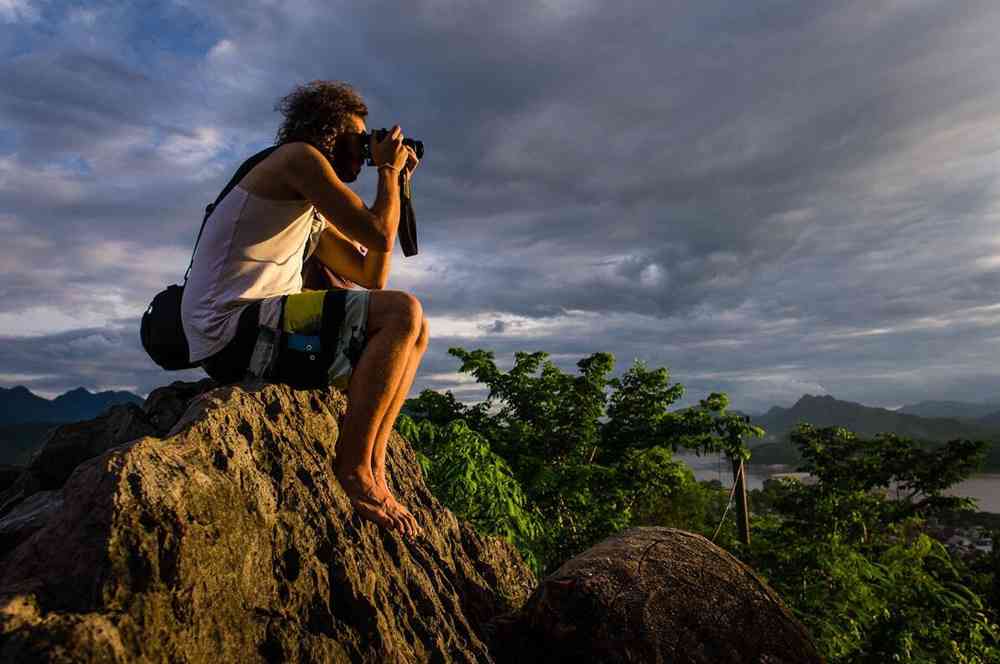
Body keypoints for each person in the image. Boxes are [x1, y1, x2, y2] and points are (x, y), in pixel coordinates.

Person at [181, 80, 425, 539]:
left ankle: (375, 464)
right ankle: (352, 469)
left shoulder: (308, 205)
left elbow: (372, 275)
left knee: (415, 326)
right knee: (401, 313)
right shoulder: (298, 159)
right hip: (230, 332)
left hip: (254, 326)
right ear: (328, 132)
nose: (363, 151)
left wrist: (397, 179)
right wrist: (388, 174)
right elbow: (377, 234)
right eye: (357, 138)